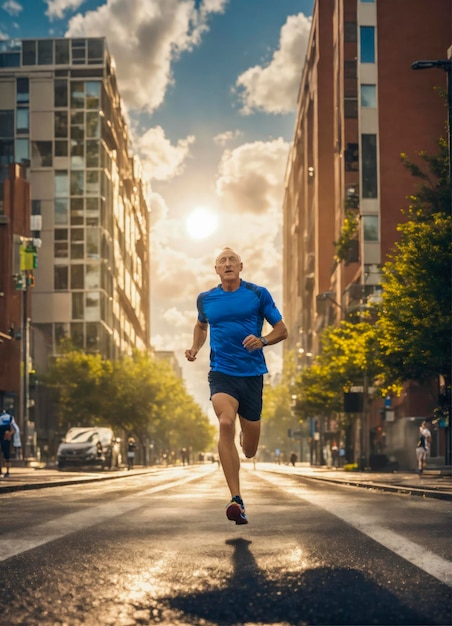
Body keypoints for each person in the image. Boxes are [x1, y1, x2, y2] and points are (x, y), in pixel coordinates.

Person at [185, 247, 288, 525]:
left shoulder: (257, 294)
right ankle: (236, 499)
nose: (227, 263)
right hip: (222, 374)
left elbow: (282, 329)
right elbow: (201, 326)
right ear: (216, 269)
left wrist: (263, 340)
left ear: (241, 266)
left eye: (232, 260)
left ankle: (247, 440)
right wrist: (195, 347)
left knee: (250, 448)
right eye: (222, 261)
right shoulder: (206, 299)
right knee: (226, 424)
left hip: (252, 375)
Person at [0, 409, 16, 478]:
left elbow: (13, 429)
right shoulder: (10, 418)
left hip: (3, 436)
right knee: (6, 456)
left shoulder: (3, 417)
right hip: (6, 438)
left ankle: (5, 471)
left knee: (5, 456)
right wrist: (9, 434)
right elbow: (13, 429)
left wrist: (9, 434)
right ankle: (7, 472)